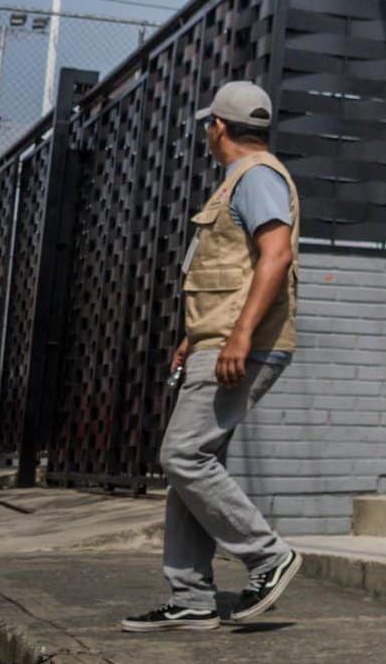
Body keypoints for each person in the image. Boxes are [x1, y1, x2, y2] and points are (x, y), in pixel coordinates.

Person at [122, 81, 304, 632]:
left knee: (183, 456)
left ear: (217, 128)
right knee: (194, 465)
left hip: (241, 345)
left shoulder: (256, 178)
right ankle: (192, 597)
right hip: (217, 340)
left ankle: (268, 555)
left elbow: (275, 256)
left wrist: (239, 337)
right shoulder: (238, 183)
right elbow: (229, 272)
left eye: (207, 126)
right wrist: (195, 335)